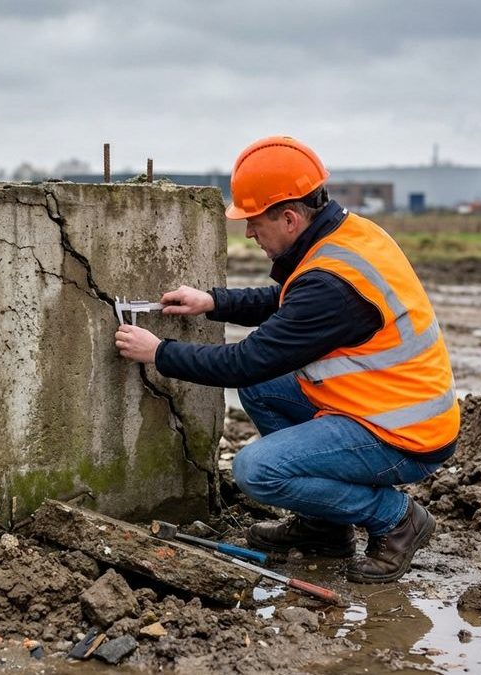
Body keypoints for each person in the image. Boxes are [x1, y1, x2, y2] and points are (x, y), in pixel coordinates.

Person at [114, 136, 459, 583]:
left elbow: (246, 360)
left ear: (291, 218)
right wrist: (212, 302)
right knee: (262, 389)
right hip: (379, 405)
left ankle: (396, 519)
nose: (249, 233)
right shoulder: (348, 236)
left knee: (257, 471)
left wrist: (159, 352)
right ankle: (325, 527)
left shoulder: (332, 285)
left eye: (254, 222)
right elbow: (289, 299)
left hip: (404, 434)